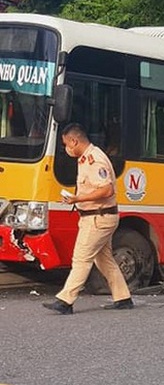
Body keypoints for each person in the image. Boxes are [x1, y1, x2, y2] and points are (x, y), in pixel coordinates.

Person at [43, 123, 134, 315]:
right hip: (97, 216)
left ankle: (65, 300)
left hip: (98, 218)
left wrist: (77, 199)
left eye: (66, 144)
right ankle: (123, 298)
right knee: (104, 260)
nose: (66, 149)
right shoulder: (86, 158)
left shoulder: (94, 160)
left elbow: (106, 189)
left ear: (74, 141)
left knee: (81, 258)